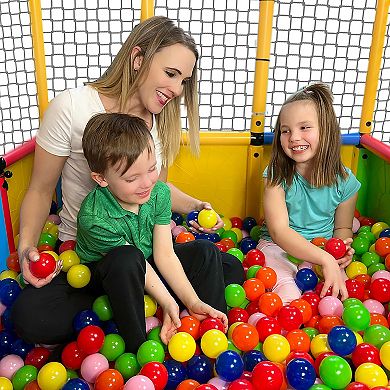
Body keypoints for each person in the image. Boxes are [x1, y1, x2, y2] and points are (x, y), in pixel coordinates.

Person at [12, 16, 243, 346]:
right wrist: (27, 248)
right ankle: (134, 318)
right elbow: (40, 188)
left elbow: (152, 190)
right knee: (31, 318)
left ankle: (146, 315)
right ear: (138, 59)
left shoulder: (158, 123)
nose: (177, 90)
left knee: (227, 267)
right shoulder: (73, 106)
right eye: (171, 74)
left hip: (145, 252)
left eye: (184, 81)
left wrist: (195, 206)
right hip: (89, 257)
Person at [76, 113, 227, 351]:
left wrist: (192, 301)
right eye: (132, 178)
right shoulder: (93, 217)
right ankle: (138, 348)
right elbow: (133, 262)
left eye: (152, 168)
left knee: (208, 252)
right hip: (109, 276)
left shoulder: (158, 194)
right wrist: (167, 302)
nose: (147, 183)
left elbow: (165, 255)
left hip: (146, 261)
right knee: (127, 259)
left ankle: (212, 331)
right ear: (101, 178)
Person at [258, 82, 360, 305]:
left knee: (341, 299)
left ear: (327, 131)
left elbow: (341, 228)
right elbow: (279, 231)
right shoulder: (276, 175)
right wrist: (324, 258)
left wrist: (340, 251)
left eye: (304, 128)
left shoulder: (345, 182)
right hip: (277, 248)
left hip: (321, 248)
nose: (294, 137)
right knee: (289, 296)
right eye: (285, 131)